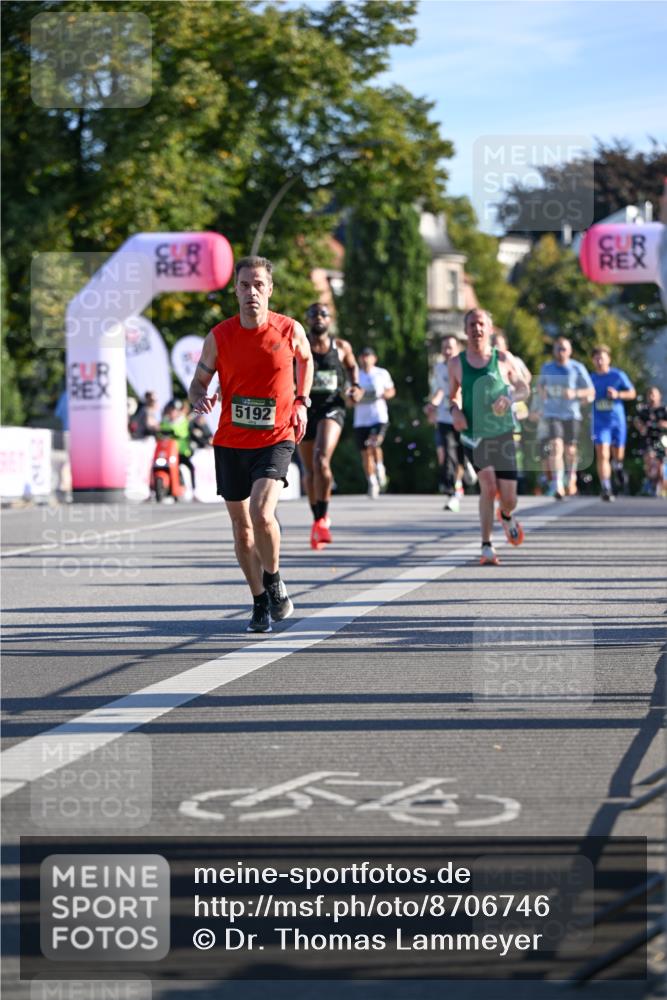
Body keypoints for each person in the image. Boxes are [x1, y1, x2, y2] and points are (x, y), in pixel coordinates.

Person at [188, 255, 313, 633]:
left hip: (276, 437)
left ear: (270, 289)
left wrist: (303, 402)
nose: (252, 292)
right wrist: (199, 397)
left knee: (262, 513)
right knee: (242, 530)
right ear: (236, 291)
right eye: (245, 285)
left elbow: (306, 361)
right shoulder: (220, 336)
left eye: (259, 285)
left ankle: (273, 580)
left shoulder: (289, 330)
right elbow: (198, 382)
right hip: (231, 441)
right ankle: (259, 600)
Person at [448, 308, 530, 566]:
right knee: (488, 485)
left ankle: (505, 514)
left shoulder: (503, 358)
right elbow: (453, 396)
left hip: (503, 433)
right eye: (472, 324)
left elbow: (523, 388)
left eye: (481, 324)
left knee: (510, 498)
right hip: (474, 434)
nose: (477, 329)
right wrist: (455, 411)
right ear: (465, 330)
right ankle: (486, 546)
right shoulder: (456, 363)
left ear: (490, 329)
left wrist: (509, 397)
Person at [298, 303, 363, 549]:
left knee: (321, 460)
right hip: (305, 408)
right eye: (314, 314)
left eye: (323, 314)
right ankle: (317, 520)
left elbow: (352, 367)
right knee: (309, 472)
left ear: (330, 319)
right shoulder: (300, 344)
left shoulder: (342, 346)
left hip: (332, 407)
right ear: (308, 319)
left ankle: (324, 518)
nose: (319, 318)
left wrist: (355, 386)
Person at [537, 337, 594, 499]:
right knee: (555, 446)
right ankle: (558, 484)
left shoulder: (577, 368)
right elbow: (540, 385)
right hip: (552, 414)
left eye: (564, 349)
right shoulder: (547, 368)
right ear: (554, 351)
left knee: (570, 450)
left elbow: (590, 391)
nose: (561, 352)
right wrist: (543, 394)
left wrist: (575, 393)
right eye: (558, 349)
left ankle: (572, 476)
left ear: (570, 351)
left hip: (571, 414)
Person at [424, 335, 474, 512]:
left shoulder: (465, 365)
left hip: (463, 416)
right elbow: (439, 390)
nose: (446, 351)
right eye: (444, 347)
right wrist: (432, 405)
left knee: (462, 454)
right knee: (448, 454)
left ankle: (466, 470)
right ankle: (452, 492)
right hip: (445, 416)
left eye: (450, 347)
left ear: (458, 348)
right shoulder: (438, 368)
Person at [590, 345, 636, 501]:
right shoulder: (590, 378)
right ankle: (606, 487)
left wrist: (618, 394)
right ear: (593, 361)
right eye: (596, 358)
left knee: (618, 455)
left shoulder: (618, 375)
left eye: (602, 357)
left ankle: (618, 467)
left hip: (617, 422)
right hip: (600, 423)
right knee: (602, 453)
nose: (600, 361)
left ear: (609, 359)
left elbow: (632, 393)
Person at [353, 347, 396, 499]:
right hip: (361, 420)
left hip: (378, 417)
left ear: (374, 358)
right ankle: (372, 481)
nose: (365, 359)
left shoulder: (381, 373)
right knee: (365, 454)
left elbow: (391, 391)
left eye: (368, 356)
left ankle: (379, 467)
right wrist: (355, 397)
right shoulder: (355, 375)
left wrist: (382, 394)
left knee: (374, 443)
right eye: (363, 356)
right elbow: (349, 398)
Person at [634, 386, 667, 495]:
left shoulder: (663, 410)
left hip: (661, 439)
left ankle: (659, 486)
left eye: (654, 394)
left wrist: (663, 424)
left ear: (659, 396)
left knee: (661, 466)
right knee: (650, 459)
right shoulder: (644, 410)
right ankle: (651, 480)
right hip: (647, 439)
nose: (652, 397)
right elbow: (637, 421)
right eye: (650, 394)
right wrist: (640, 427)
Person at [160, 398, 196, 490]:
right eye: (170, 409)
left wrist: (172, 432)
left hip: (181, 452)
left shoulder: (183, 421)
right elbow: (160, 432)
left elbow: (183, 433)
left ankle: (193, 488)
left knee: (190, 468)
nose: (172, 412)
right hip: (167, 452)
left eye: (174, 410)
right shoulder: (165, 420)